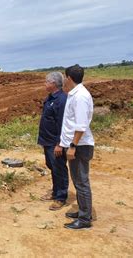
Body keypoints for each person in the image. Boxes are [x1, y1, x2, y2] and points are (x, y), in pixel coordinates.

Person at [60, 64, 95, 230]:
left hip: (79, 146)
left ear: (68, 78)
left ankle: (84, 219)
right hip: (76, 144)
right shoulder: (75, 94)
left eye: (64, 77)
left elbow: (80, 125)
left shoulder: (80, 96)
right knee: (78, 181)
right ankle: (83, 211)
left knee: (81, 182)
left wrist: (72, 146)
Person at [37, 72, 68, 211]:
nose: (45, 84)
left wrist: (59, 144)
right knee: (52, 166)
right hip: (47, 140)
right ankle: (55, 191)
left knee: (59, 168)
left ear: (53, 84)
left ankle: (61, 197)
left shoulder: (62, 100)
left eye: (46, 82)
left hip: (55, 143)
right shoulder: (50, 98)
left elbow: (62, 124)